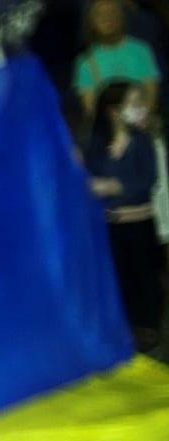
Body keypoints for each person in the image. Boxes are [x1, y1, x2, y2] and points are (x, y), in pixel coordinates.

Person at [84, 81, 166, 351]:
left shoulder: (143, 143)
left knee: (144, 277)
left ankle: (149, 327)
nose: (140, 108)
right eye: (134, 103)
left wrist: (116, 186)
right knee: (120, 278)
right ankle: (127, 326)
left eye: (141, 103)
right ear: (113, 110)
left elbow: (148, 179)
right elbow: (89, 175)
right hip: (111, 226)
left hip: (139, 223)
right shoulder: (98, 145)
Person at [73, 0, 161, 121]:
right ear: (92, 22)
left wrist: (143, 118)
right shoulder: (85, 62)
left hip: (142, 123)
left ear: (121, 17)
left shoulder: (141, 50)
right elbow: (90, 108)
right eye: (100, 14)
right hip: (109, 129)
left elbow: (151, 90)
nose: (107, 18)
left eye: (112, 12)